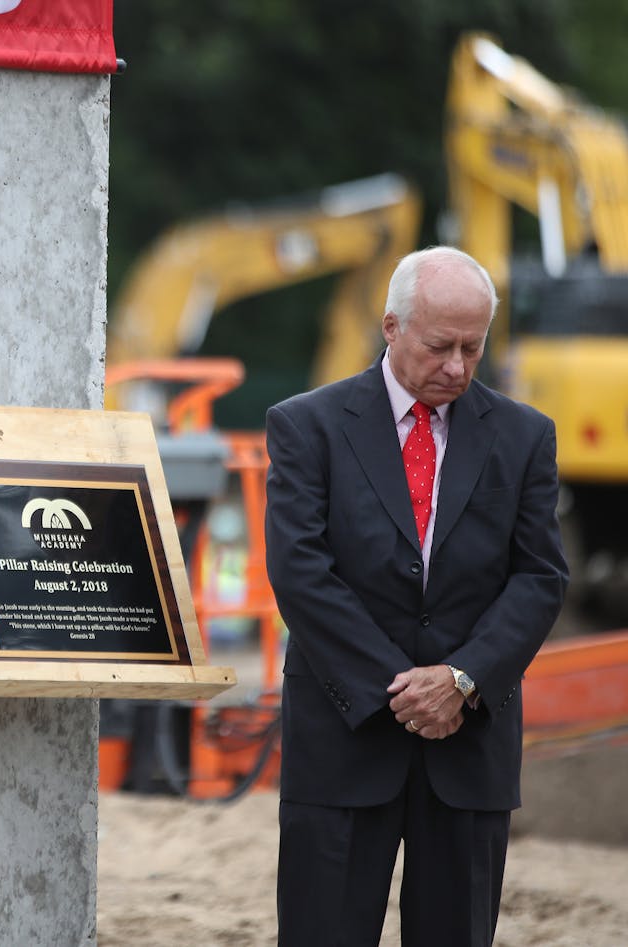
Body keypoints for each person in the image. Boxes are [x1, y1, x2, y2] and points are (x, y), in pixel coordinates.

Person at [264, 246, 569, 946]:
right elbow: (301, 571)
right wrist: (400, 690)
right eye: (440, 346)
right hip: (342, 740)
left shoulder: (525, 438)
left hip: (469, 750)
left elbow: (540, 576)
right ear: (391, 326)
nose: (458, 367)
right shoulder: (307, 426)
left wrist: (461, 680)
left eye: (473, 346)